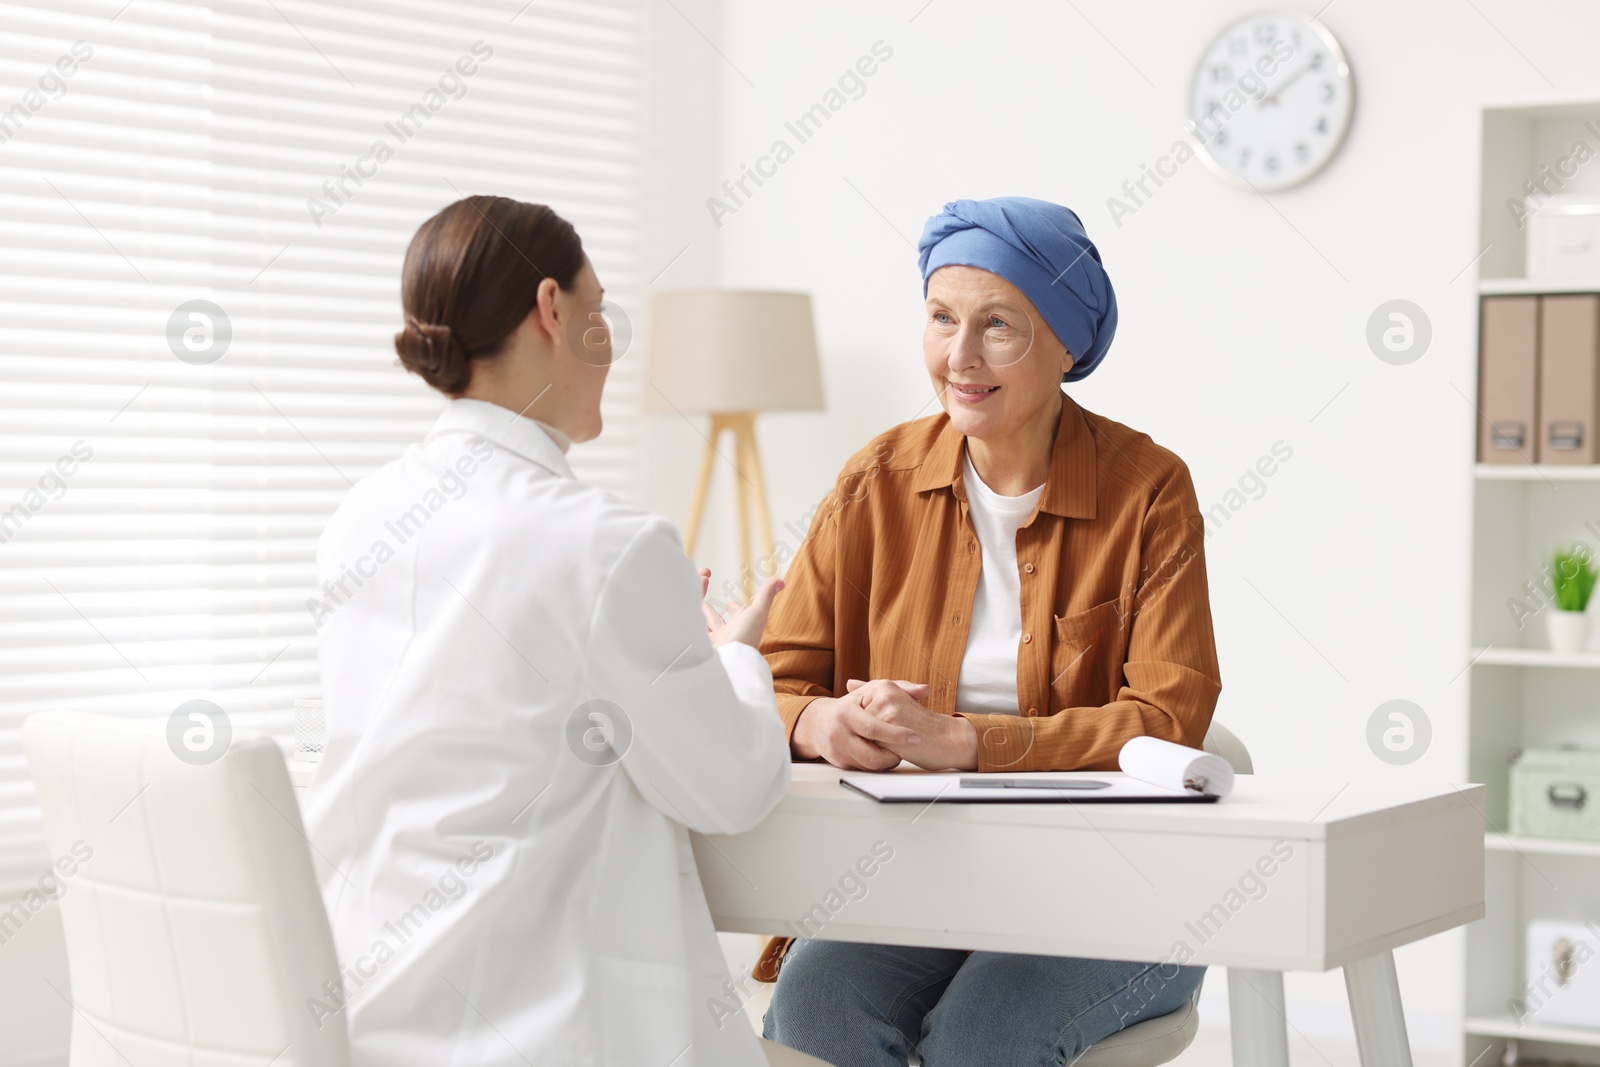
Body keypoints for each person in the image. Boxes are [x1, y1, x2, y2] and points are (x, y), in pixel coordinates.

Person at [302, 195, 809, 1067]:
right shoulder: (602, 544)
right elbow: (729, 787)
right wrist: (733, 657)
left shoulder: (359, 517)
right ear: (551, 311)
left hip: (366, 1023)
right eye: (599, 310)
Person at [759, 197, 1220, 1065]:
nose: (958, 357)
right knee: (815, 1009)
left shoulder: (1151, 491)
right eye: (941, 318)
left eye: (997, 325)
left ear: (1067, 344)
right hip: (916, 878)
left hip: (1114, 885)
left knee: (984, 1036)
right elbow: (775, 676)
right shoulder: (875, 480)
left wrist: (972, 741)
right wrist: (819, 722)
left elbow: (1167, 718)